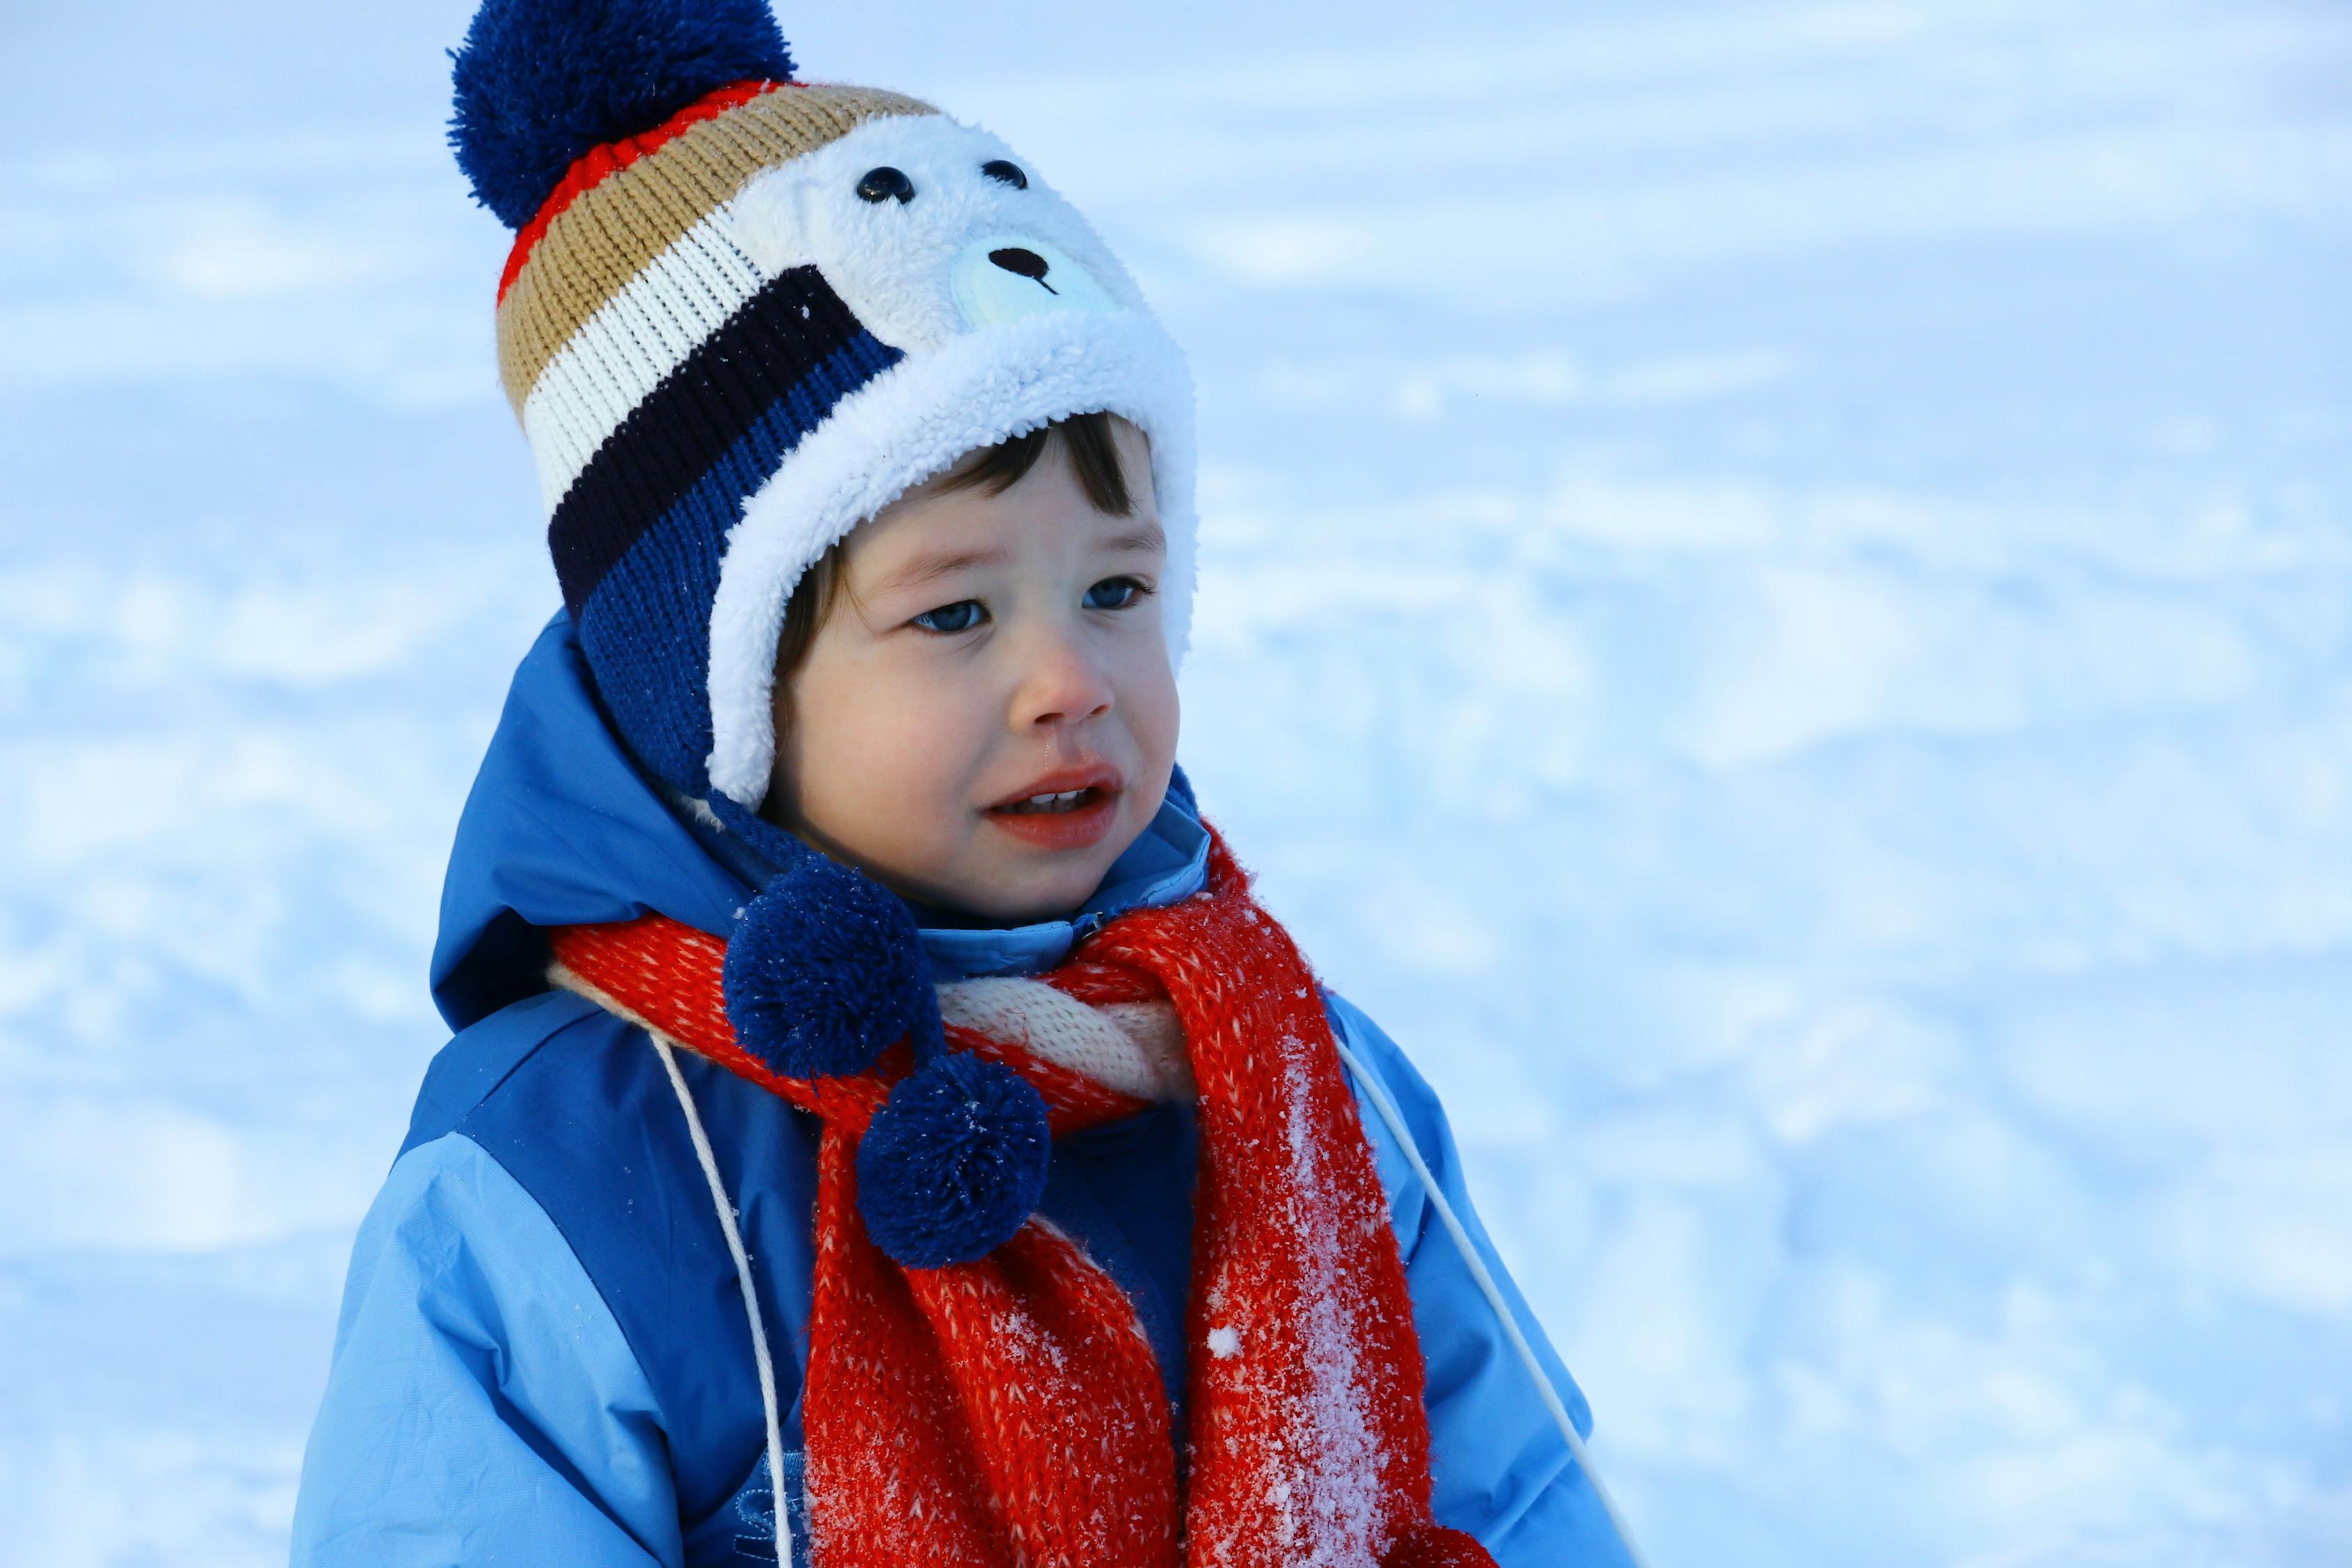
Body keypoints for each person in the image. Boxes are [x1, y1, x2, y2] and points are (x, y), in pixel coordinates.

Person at [291, 2, 1645, 1564]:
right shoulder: (567, 1176)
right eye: (953, 613)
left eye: (1116, 592)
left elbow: (1518, 1500)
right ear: (723, 699)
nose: (1066, 678)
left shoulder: (1289, 1072)